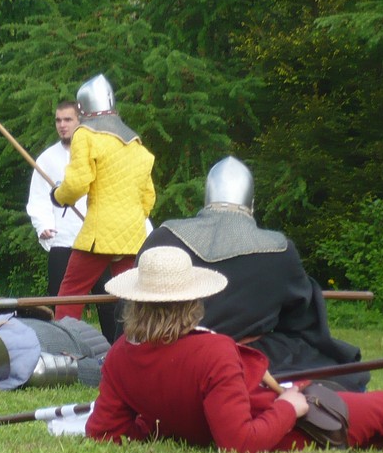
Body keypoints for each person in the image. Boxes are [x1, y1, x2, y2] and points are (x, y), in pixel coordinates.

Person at [85, 246, 383, 453]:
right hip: (283, 429)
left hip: (262, 412)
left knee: (375, 437)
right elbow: (240, 443)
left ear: (136, 303)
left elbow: (104, 431)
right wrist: (289, 407)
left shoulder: (120, 356)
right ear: (192, 301)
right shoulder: (213, 352)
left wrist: (159, 425)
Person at [134, 156, 368, 392]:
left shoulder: (162, 236)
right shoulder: (279, 249)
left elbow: (131, 311)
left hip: (161, 356)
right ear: (251, 204)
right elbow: (301, 324)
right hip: (235, 359)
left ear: (207, 199)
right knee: (336, 370)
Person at [50, 74, 155, 323]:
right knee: (131, 297)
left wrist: (58, 196)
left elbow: (77, 183)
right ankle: (136, 341)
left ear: (83, 107)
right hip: (133, 233)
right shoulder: (136, 144)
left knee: (71, 292)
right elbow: (148, 197)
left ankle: (64, 342)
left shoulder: (85, 135)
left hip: (99, 233)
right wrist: (129, 219)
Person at [26, 100, 116, 341]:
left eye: (68, 119)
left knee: (110, 303)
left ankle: (114, 351)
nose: (62, 125)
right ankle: (62, 349)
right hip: (63, 241)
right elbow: (38, 198)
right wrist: (44, 225)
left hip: (97, 239)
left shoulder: (97, 153)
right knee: (59, 303)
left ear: (80, 121)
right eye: (58, 120)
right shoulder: (47, 159)